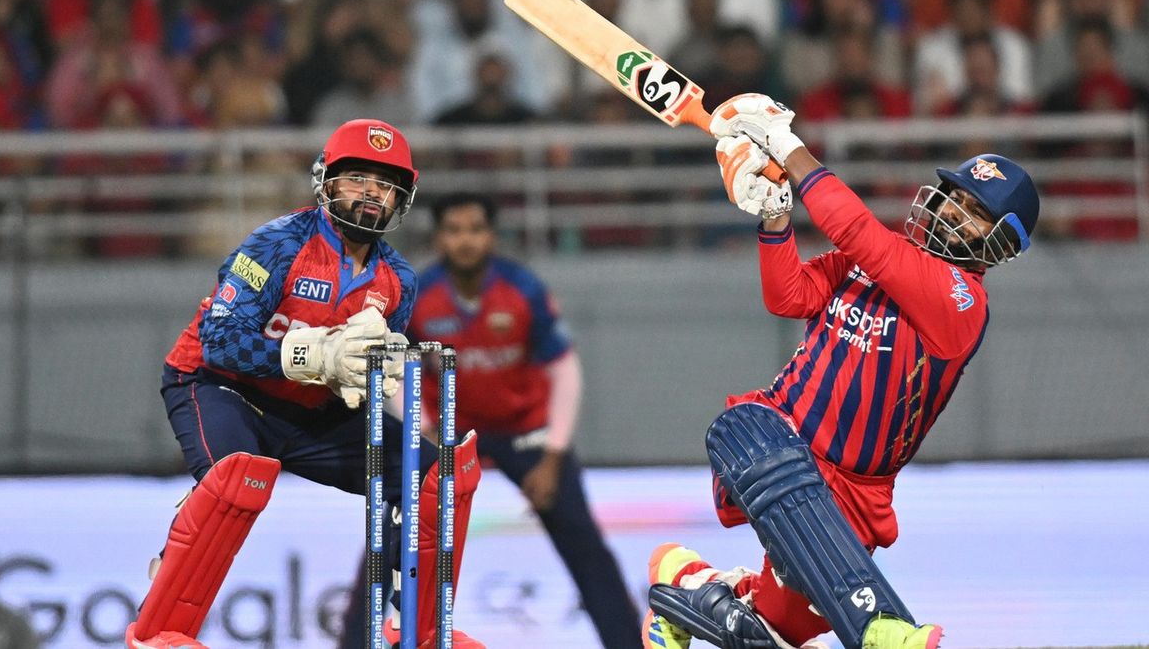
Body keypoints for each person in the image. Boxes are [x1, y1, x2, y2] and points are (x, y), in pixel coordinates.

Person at [641, 93, 1039, 649]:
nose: (952, 210)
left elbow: (854, 231)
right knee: (792, 498)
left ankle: (683, 579)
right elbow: (789, 296)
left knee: (770, 637)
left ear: (1003, 241)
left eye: (976, 211)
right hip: (770, 439)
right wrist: (775, 213)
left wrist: (787, 147)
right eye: (956, 196)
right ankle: (878, 628)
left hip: (854, 495)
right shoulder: (878, 255)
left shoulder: (961, 301)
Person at [124, 119, 484, 649]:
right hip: (220, 388)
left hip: (311, 411)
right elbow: (219, 340)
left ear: (401, 199)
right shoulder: (277, 244)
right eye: (357, 178)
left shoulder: (398, 281)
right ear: (327, 181)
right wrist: (314, 353)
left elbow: (352, 378)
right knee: (234, 480)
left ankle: (421, 632)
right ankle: (160, 630)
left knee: (435, 477)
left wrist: (372, 374)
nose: (371, 194)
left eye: (385, 185)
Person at [341, 193, 643, 648]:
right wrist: (424, 430)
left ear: (492, 237)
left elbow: (564, 370)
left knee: (585, 547)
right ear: (439, 238)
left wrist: (553, 456)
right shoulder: (418, 296)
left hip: (526, 433)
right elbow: (397, 367)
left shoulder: (523, 290)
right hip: (449, 434)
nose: (465, 241)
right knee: (389, 536)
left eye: (476, 229)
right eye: (454, 230)